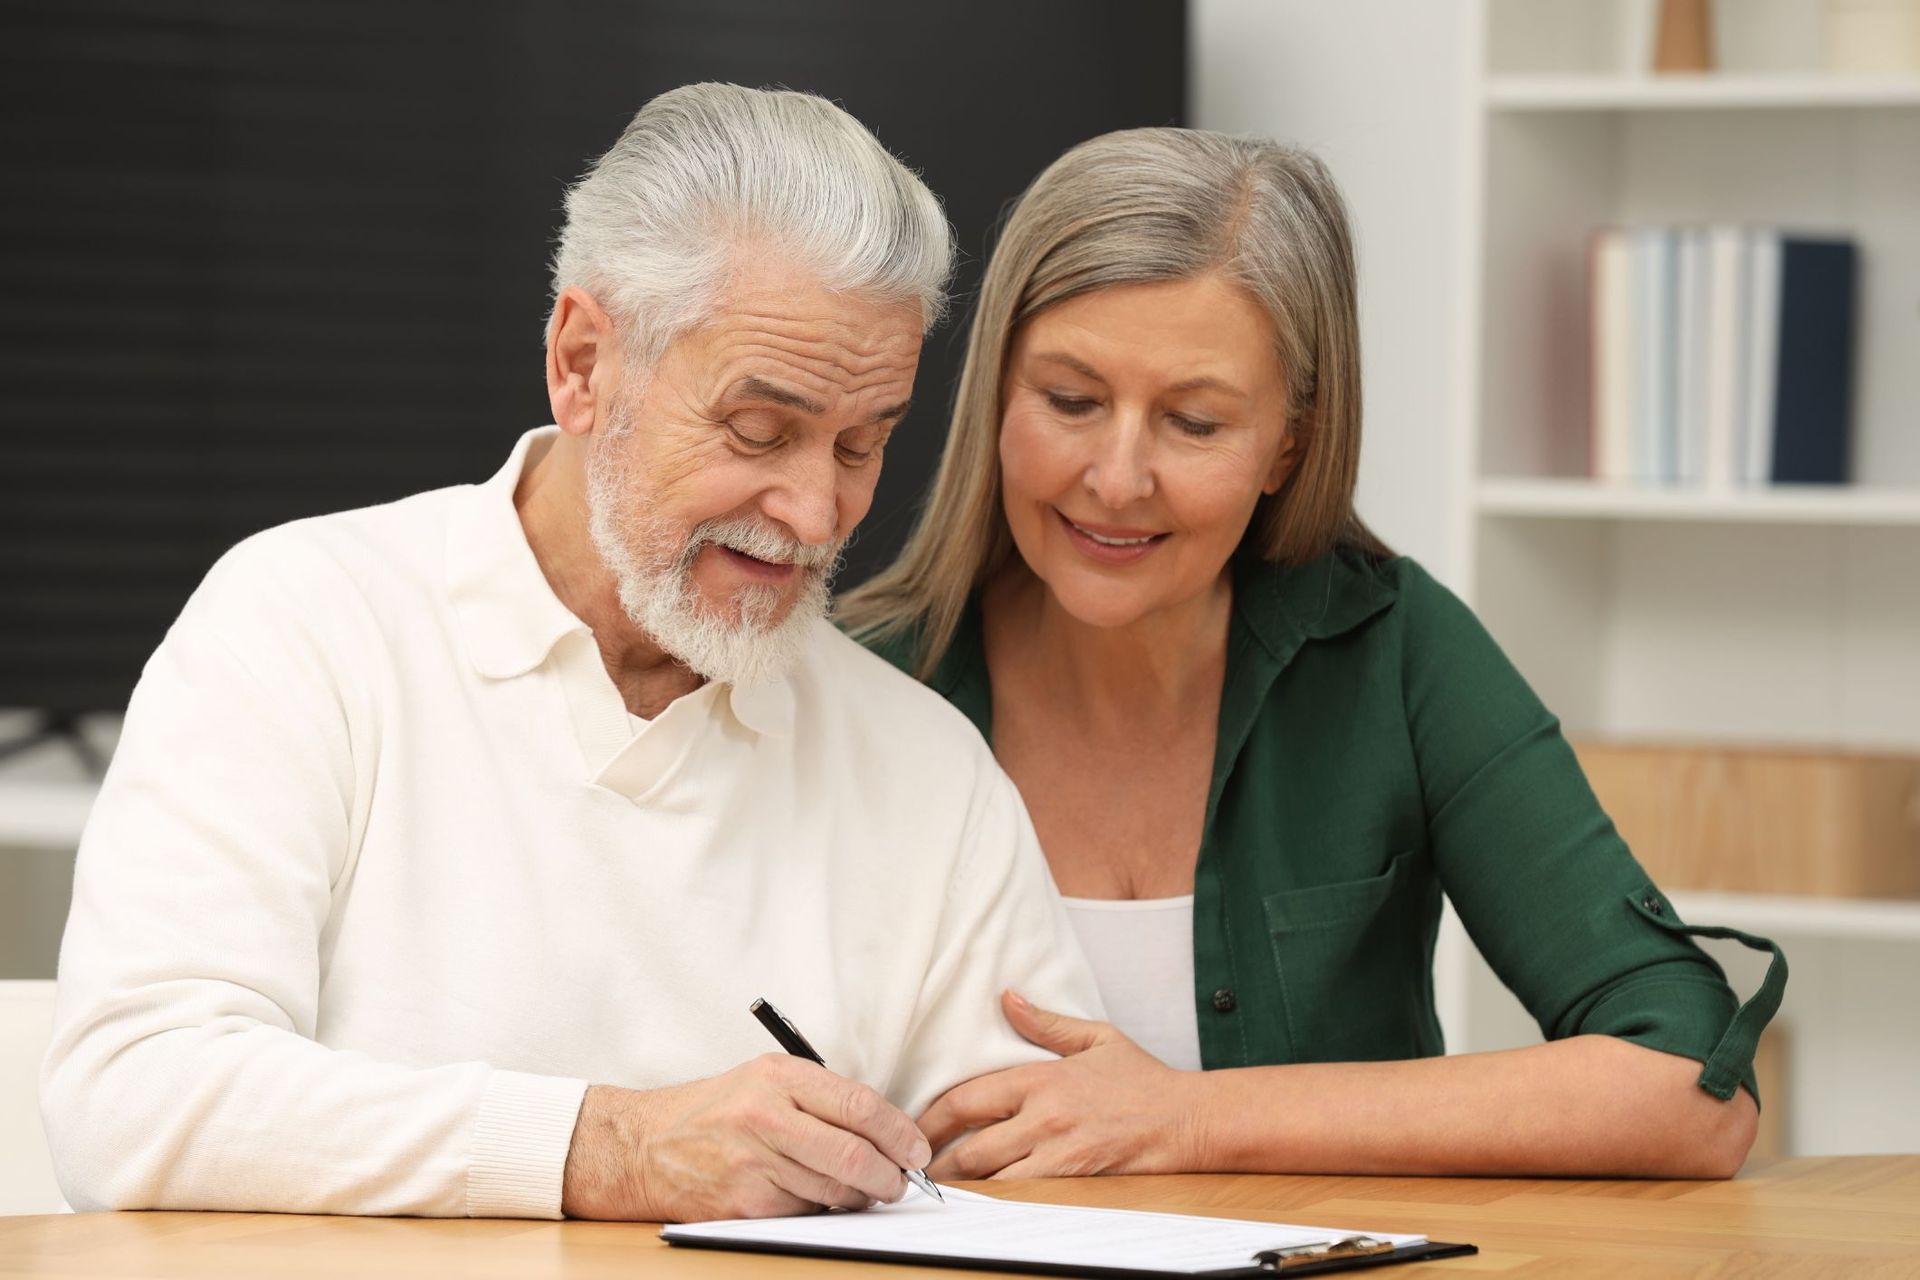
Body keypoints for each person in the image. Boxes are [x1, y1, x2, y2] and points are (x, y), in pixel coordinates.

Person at [40, 83, 1101, 1223]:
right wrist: (611, 1147)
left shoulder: (924, 767)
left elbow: (1039, 1179)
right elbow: (133, 1095)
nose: (813, 511)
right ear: (584, 361)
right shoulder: (303, 623)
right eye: (759, 430)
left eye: (863, 443)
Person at [840, 127, 1785, 1181]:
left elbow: (1690, 1082)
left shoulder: (1397, 651)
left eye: (1194, 423)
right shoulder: (846, 685)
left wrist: (1189, 1119)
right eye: (1070, 400)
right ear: (996, 393)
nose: (1116, 477)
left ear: (1289, 442)